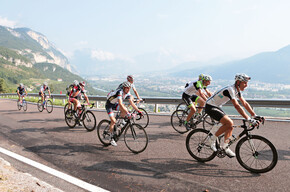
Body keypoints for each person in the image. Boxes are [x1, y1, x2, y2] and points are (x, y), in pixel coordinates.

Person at [205, 73, 260, 158]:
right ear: (238, 82)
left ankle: (225, 147)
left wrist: (254, 115)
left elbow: (244, 103)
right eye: (244, 83)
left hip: (217, 107)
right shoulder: (230, 89)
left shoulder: (236, 90)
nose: (246, 85)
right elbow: (237, 105)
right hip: (210, 106)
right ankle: (211, 139)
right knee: (229, 122)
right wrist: (248, 119)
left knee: (230, 126)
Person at [106, 81, 142, 146]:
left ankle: (119, 124)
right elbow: (120, 103)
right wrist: (128, 113)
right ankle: (111, 138)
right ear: (124, 88)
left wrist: (138, 111)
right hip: (109, 105)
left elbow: (132, 103)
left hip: (115, 104)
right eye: (127, 88)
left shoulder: (127, 93)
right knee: (113, 121)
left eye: (129, 88)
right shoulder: (120, 92)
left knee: (124, 110)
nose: (128, 90)